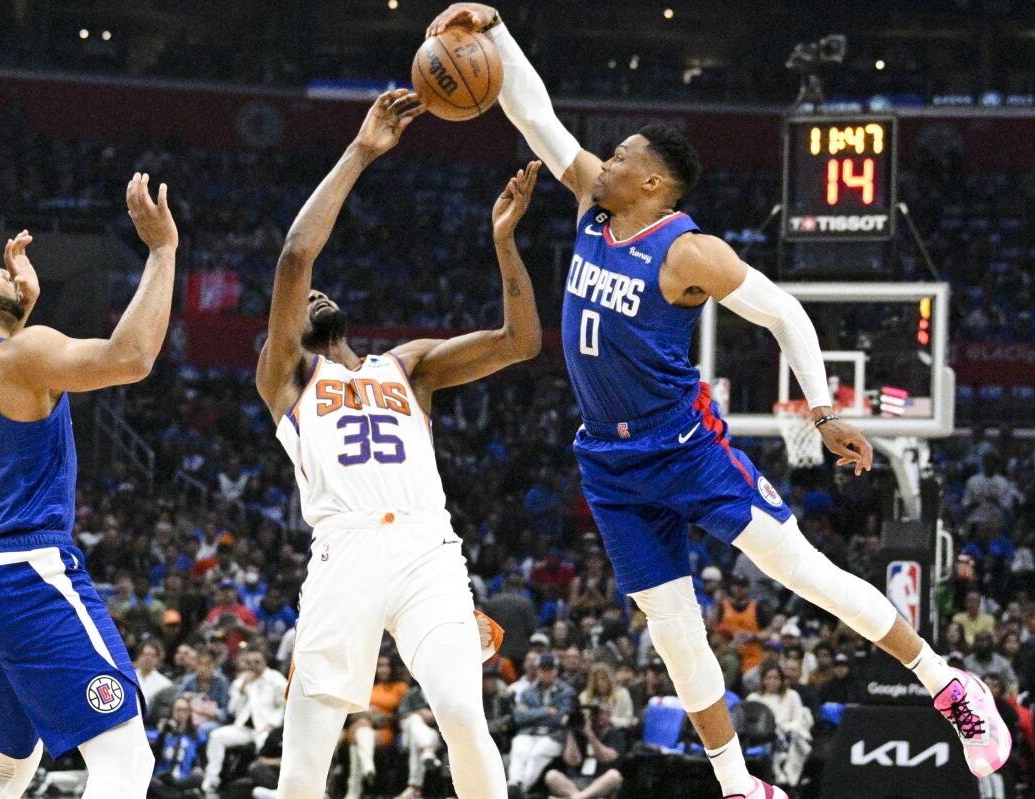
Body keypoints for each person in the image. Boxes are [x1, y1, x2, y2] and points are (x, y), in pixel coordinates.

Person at [424, 4, 1012, 794]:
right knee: (672, 631)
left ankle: (949, 683)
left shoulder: (688, 250)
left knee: (802, 570)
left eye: (622, 157)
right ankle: (741, 783)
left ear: (655, 182)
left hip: (683, 446)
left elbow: (785, 312)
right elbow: (533, 113)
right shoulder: (594, 211)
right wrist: (490, 32)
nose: (604, 162)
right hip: (608, 457)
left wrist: (825, 410)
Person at [256, 89, 542, 799]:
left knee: (461, 712)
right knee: (300, 776)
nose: (316, 294)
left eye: (325, 292)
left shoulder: (406, 366)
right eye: (307, 299)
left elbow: (520, 342)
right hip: (343, 552)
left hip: (425, 549)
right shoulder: (288, 374)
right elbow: (296, 256)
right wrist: (361, 151)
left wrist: (505, 242)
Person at [0, 172, 176, 798]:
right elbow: (130, 357)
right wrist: (162, 250)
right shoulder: (19, 355)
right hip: (26, 572)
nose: (11, 272)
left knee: (6, 768)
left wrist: (21, 309)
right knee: (125, 761)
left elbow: (5, 371)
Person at [202, 649, 287, 797]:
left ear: (264, 662)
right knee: (216, 736)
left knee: (262, 748)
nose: (253, 666)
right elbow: (232, 709)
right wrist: (242, 689)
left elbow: (284, 705)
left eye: (257, 662)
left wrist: (273, 724)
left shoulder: (276, 679)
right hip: (244, 728)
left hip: (267, 729)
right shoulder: (242, 681)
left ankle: (274, 788)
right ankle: (211, 783)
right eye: (249, 662)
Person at [344, 655, 410, 799]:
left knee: (358, 738)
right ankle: (367, 767)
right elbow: (352, 713)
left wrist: (377, 716)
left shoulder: (400, 687)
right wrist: (366, 714)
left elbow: (401, 715)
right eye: (379, 666)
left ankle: (354, 789)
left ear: (392, 668)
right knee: (362, 728)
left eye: (386, 666)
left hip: (385, 731)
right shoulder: (366, 686)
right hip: (360, 724)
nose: (383, 669)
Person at [510, 654, 575, 795]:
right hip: (529, 732)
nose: (547, 673)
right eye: (543, 669)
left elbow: (561, 719)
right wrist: (546, 711)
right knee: (519, 750)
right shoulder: (528, 692)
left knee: (537, 754)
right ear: (537, 670)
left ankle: (518, 792)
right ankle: (514, 783)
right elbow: (519, 717)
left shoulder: (566, 691)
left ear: (556, 670)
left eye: (550, 669)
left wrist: (532, 714)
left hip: (553, 735)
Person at [747, 665, 813, 789]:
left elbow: (799, 721)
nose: (772, 681)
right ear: (762, 680)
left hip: (784, 736)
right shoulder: (753, 698)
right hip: (758, 740)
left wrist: (782, 727)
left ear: (782, 680)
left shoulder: (792, 696)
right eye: (768, 678)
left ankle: (783, 774)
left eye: (776, 678)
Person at [543, 704, 627, 799]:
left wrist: (590, 734)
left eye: (603, 713)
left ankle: (578, 797)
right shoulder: (577, 734)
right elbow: (573, 761)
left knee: (614, 775)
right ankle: (581, 796)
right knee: (551, 775)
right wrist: (569, 730)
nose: (598, 717)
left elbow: (606, 758)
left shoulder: (615, 735)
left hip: (599, 782)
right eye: (597, 714)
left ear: (609, 716)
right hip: (575, 781)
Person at [149, 697, 207, 799]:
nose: (181, 713)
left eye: (185, 710)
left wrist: (198, 767)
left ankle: (170, 794)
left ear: (189, 713)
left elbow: (200, 759)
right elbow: (154, 755)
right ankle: (176, 795)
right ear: (172, 711)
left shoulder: (195, 735)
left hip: (182, 779)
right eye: (178, 709)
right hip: (161, 777)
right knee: (148, 780)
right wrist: (162, 734)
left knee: (198, 777)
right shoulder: (164, 731)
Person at [579, 663, 634, 729]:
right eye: (596, 680)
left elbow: (628, 720)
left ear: (610, 679)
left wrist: (610, 720)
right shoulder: (584, 696)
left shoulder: (623, 694)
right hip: (591, 732)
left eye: (603, 679)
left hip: (616, 731)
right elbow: (582, 720)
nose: (600, 683)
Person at [135, 640, 175, 710]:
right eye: (145, 655)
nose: (148, 659)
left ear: (158, 659)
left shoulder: (165, 684)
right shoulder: (126, 678)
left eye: (153, 656)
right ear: (139, 656)